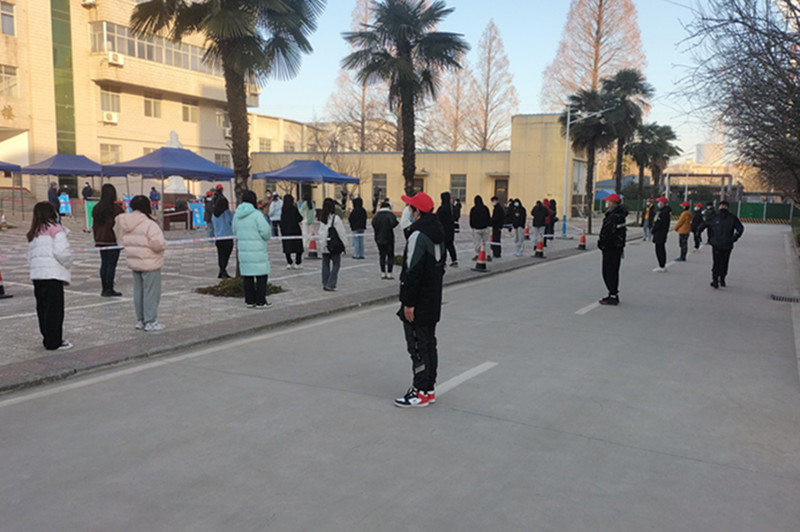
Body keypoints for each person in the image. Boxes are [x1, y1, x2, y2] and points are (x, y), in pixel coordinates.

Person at [394, 191, 446, 408]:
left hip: (419, 301)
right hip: (433, 298)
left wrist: (409, 302)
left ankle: (419, 391)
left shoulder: (418, 235)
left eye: (410, 208)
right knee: (429, 343)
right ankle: (429, 388)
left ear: (417, 212)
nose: (408, 211)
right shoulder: (438, 232)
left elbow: (412, 271)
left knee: (417, 346)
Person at [116, 195, 168, 332]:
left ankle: (140, 320)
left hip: (134, 261)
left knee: (138, 292)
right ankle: (150, 321)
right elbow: (157, 244)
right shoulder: (150, 224)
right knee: (151, 292)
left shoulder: (126, 222)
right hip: (150, 261)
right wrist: (164, 245)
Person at [27, 201, 73, 350]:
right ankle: (54, 341)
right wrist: (68, 264)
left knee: (42, 309)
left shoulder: (34, 232)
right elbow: (62, 252)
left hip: (38, 275)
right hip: (52, 275)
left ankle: (47, 337)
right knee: (55, 310)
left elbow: (30, 256)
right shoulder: (56, 229)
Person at [232, 190, 273, 308]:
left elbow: (234, 230)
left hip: (244, 250)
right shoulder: (257, 214)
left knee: (248, 276)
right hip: (257, 249)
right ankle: (261, 301)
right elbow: (266, 232)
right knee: (261, 275)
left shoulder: (237, 215)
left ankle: (250, 300)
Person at [698, 200, 744, 289]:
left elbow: (704, 225)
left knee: (717, 262)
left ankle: (716, 279)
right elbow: (740, 229)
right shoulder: (732, 218)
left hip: (718, 244)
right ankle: (721, 278)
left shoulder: (716, 217)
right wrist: (734, 238)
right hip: (726, 244)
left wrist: (698, 233)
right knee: (724, 262)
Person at [92, 183, 124, 297]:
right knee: (111, 264)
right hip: (112, 240)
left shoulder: (96, 208)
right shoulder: (116, 209)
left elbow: (94, 225)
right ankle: (109, 288)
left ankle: (104, 287)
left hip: (100, 240)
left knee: (104, 263)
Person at [597, 193, 628, 306]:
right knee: (613, 270)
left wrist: (602, 243)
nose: (607, 203)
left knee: (609, 271)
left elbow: (607, 232)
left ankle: (613, 294)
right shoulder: (620, 215)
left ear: (613, 203)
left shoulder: (613, 216)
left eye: (608, 201)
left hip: (611, 247)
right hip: (616, 246)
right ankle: (613, 293)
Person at [320, 197, 346, 291]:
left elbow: (321, 233)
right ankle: (331, 283)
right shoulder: (336, 218)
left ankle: (325, 282)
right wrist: (344, 244)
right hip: (334, 246)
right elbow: (341, 232)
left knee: (325, 264)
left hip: (325, 245)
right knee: (336, 264)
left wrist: (322, 245)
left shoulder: (322, 218)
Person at [372, 199, 399, 279]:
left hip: (379, 237)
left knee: (382, 255)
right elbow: (395, 223)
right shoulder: (391, 215)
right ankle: (390, 273)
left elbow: (373, 224)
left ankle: (383, 273)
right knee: (390, 255)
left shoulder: (377, 216)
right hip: (389, 237)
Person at [212, 195, 234, 278]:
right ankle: (223, 270)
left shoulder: (214, 215)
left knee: (221, 255)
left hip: (218, 238)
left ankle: (222, 270)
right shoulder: (227, 214)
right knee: (226, 255)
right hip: (227, 237)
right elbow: (232, 221)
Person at [281, 194, 304, 269]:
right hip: (295, 230)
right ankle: (298, 262)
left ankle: (289, 262)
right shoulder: (294, 209)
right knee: (298, 248)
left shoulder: (283, 209)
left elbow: (282, 221)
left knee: (287, 247)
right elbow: (300, 218)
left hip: (285, 231)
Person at [436, 191, 458, 267]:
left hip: (443, 229)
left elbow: (437, 217)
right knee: (450, 245)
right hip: (451, 229)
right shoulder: (452, 208)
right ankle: (454, 260)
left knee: (443, 246)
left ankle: (443, 261)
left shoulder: (442, 208)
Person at [651, 197, 671, 272]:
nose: (658, 203)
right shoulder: (664, 212)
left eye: (659, 202)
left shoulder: (664, 213)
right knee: (660, 248)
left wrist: (653, 230)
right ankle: (662, 265)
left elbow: (659, 223)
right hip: (661, 233)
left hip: (660, 233)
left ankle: (661, 265)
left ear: (663, 203)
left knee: (659, 249)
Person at [469, 195, 491, 261]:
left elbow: (471, 219)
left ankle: (477, 255)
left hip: (476, 229)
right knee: (487, 242)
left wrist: (472, 226)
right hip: (485, 228)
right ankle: (488, 255)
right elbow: (488, 217)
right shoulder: (485, 208)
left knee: (477, 243)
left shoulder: (473, 209)